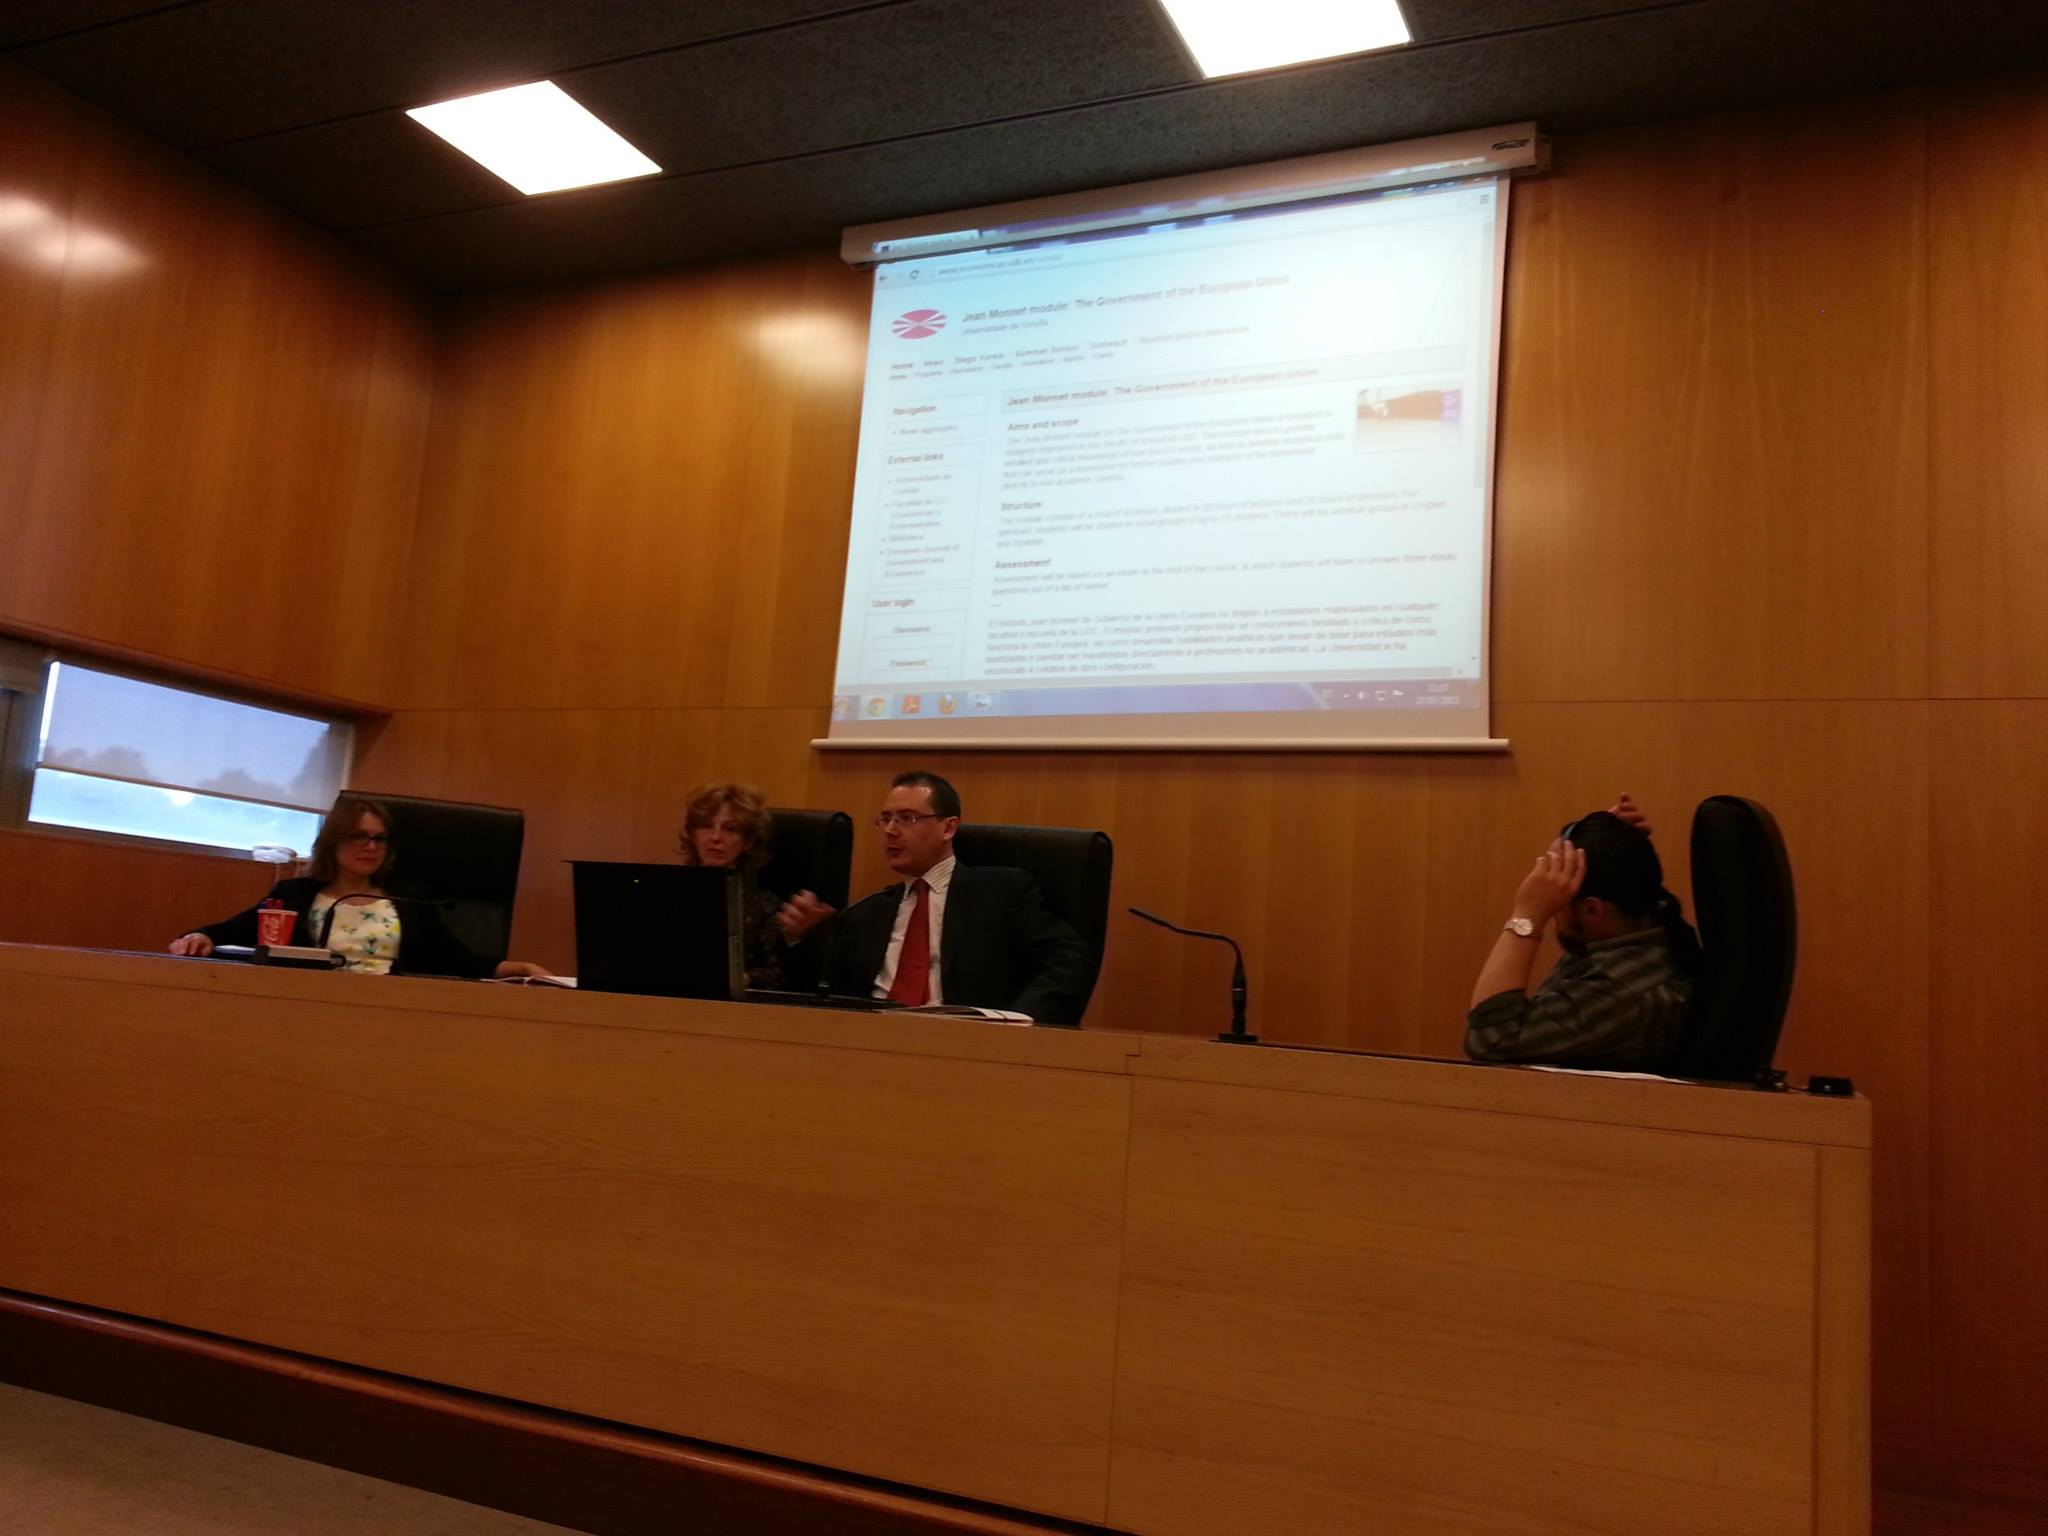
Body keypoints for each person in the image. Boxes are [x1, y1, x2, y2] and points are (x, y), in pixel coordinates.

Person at [776, 770, 1092, 1025]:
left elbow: (1067, 959)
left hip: (965, 1045)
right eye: (885, 819)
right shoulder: (866, 914)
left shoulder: (1000, 893)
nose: (890, 831)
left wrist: (1019, 1022)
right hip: (872, 1044)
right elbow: (824, 995)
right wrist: (802, 939)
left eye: (907, 818)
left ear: (948, 828)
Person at [169, 796, 547, 980]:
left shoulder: (408, 900)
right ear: (333, 842)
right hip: (306, 1011)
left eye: (379, 839)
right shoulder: (295, 895)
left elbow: (458, 960)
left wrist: (523, 968)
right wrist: (198, 937)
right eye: (359, 836)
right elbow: (228, 931)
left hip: (392, 1015)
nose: (371, 847)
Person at [1465, 794, 1700, 1071]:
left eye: (1559, 898)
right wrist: (1612, 843)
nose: (1553, 909)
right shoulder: (1648, 928)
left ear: (1592, 910)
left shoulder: (1620, 993)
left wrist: (1527, 915)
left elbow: (1490, 1039)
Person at [676, 782, 785, 991]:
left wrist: (741, 979)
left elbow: (778, 976)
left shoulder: (765, 907)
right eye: (706, 826)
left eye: (730, 829)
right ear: (692, 834)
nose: (715, 838)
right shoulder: (669, 895)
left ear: (748, 842)